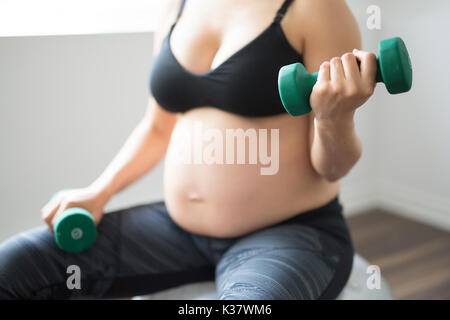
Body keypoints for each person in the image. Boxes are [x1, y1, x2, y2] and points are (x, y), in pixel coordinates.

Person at [0, 0, 377, 299]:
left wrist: (333, 119)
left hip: (290, 233)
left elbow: (333, 168)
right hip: (178, 231)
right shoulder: (175, 6)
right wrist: (100, 192)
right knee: (12, 266)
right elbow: (157, 126)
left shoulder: (315, 7)